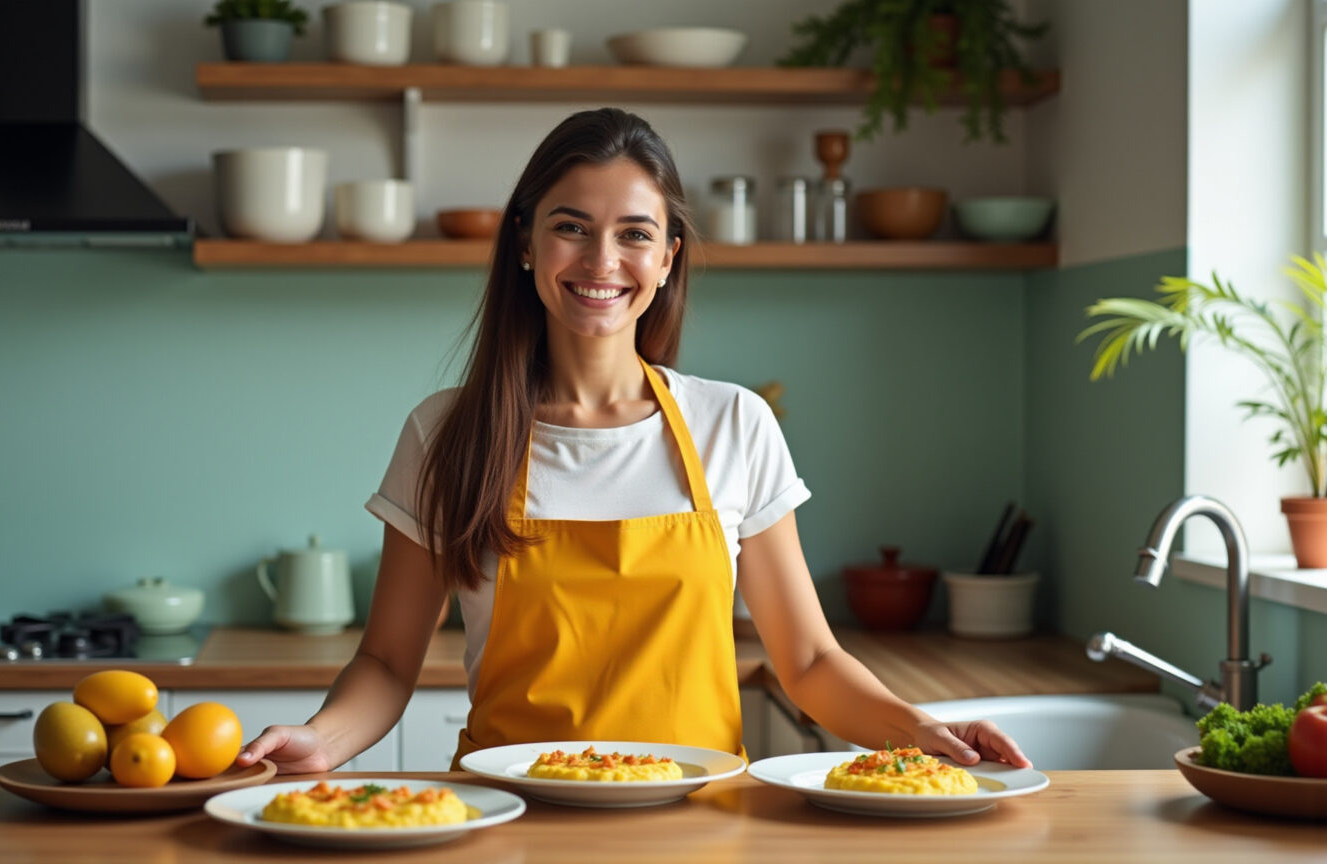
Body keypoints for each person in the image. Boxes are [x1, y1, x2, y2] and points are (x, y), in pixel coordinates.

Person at [235, 107, 1030, 774]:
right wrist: (321, 740)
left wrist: (922, 731)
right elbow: (385, 663)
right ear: (524, 244)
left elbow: (811, 663)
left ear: (668, 256)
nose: (602, 261)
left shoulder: (735, 424)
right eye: (570, 228)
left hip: (699, 825)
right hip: (516, 824)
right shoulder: (447, 432)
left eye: (634, 234)